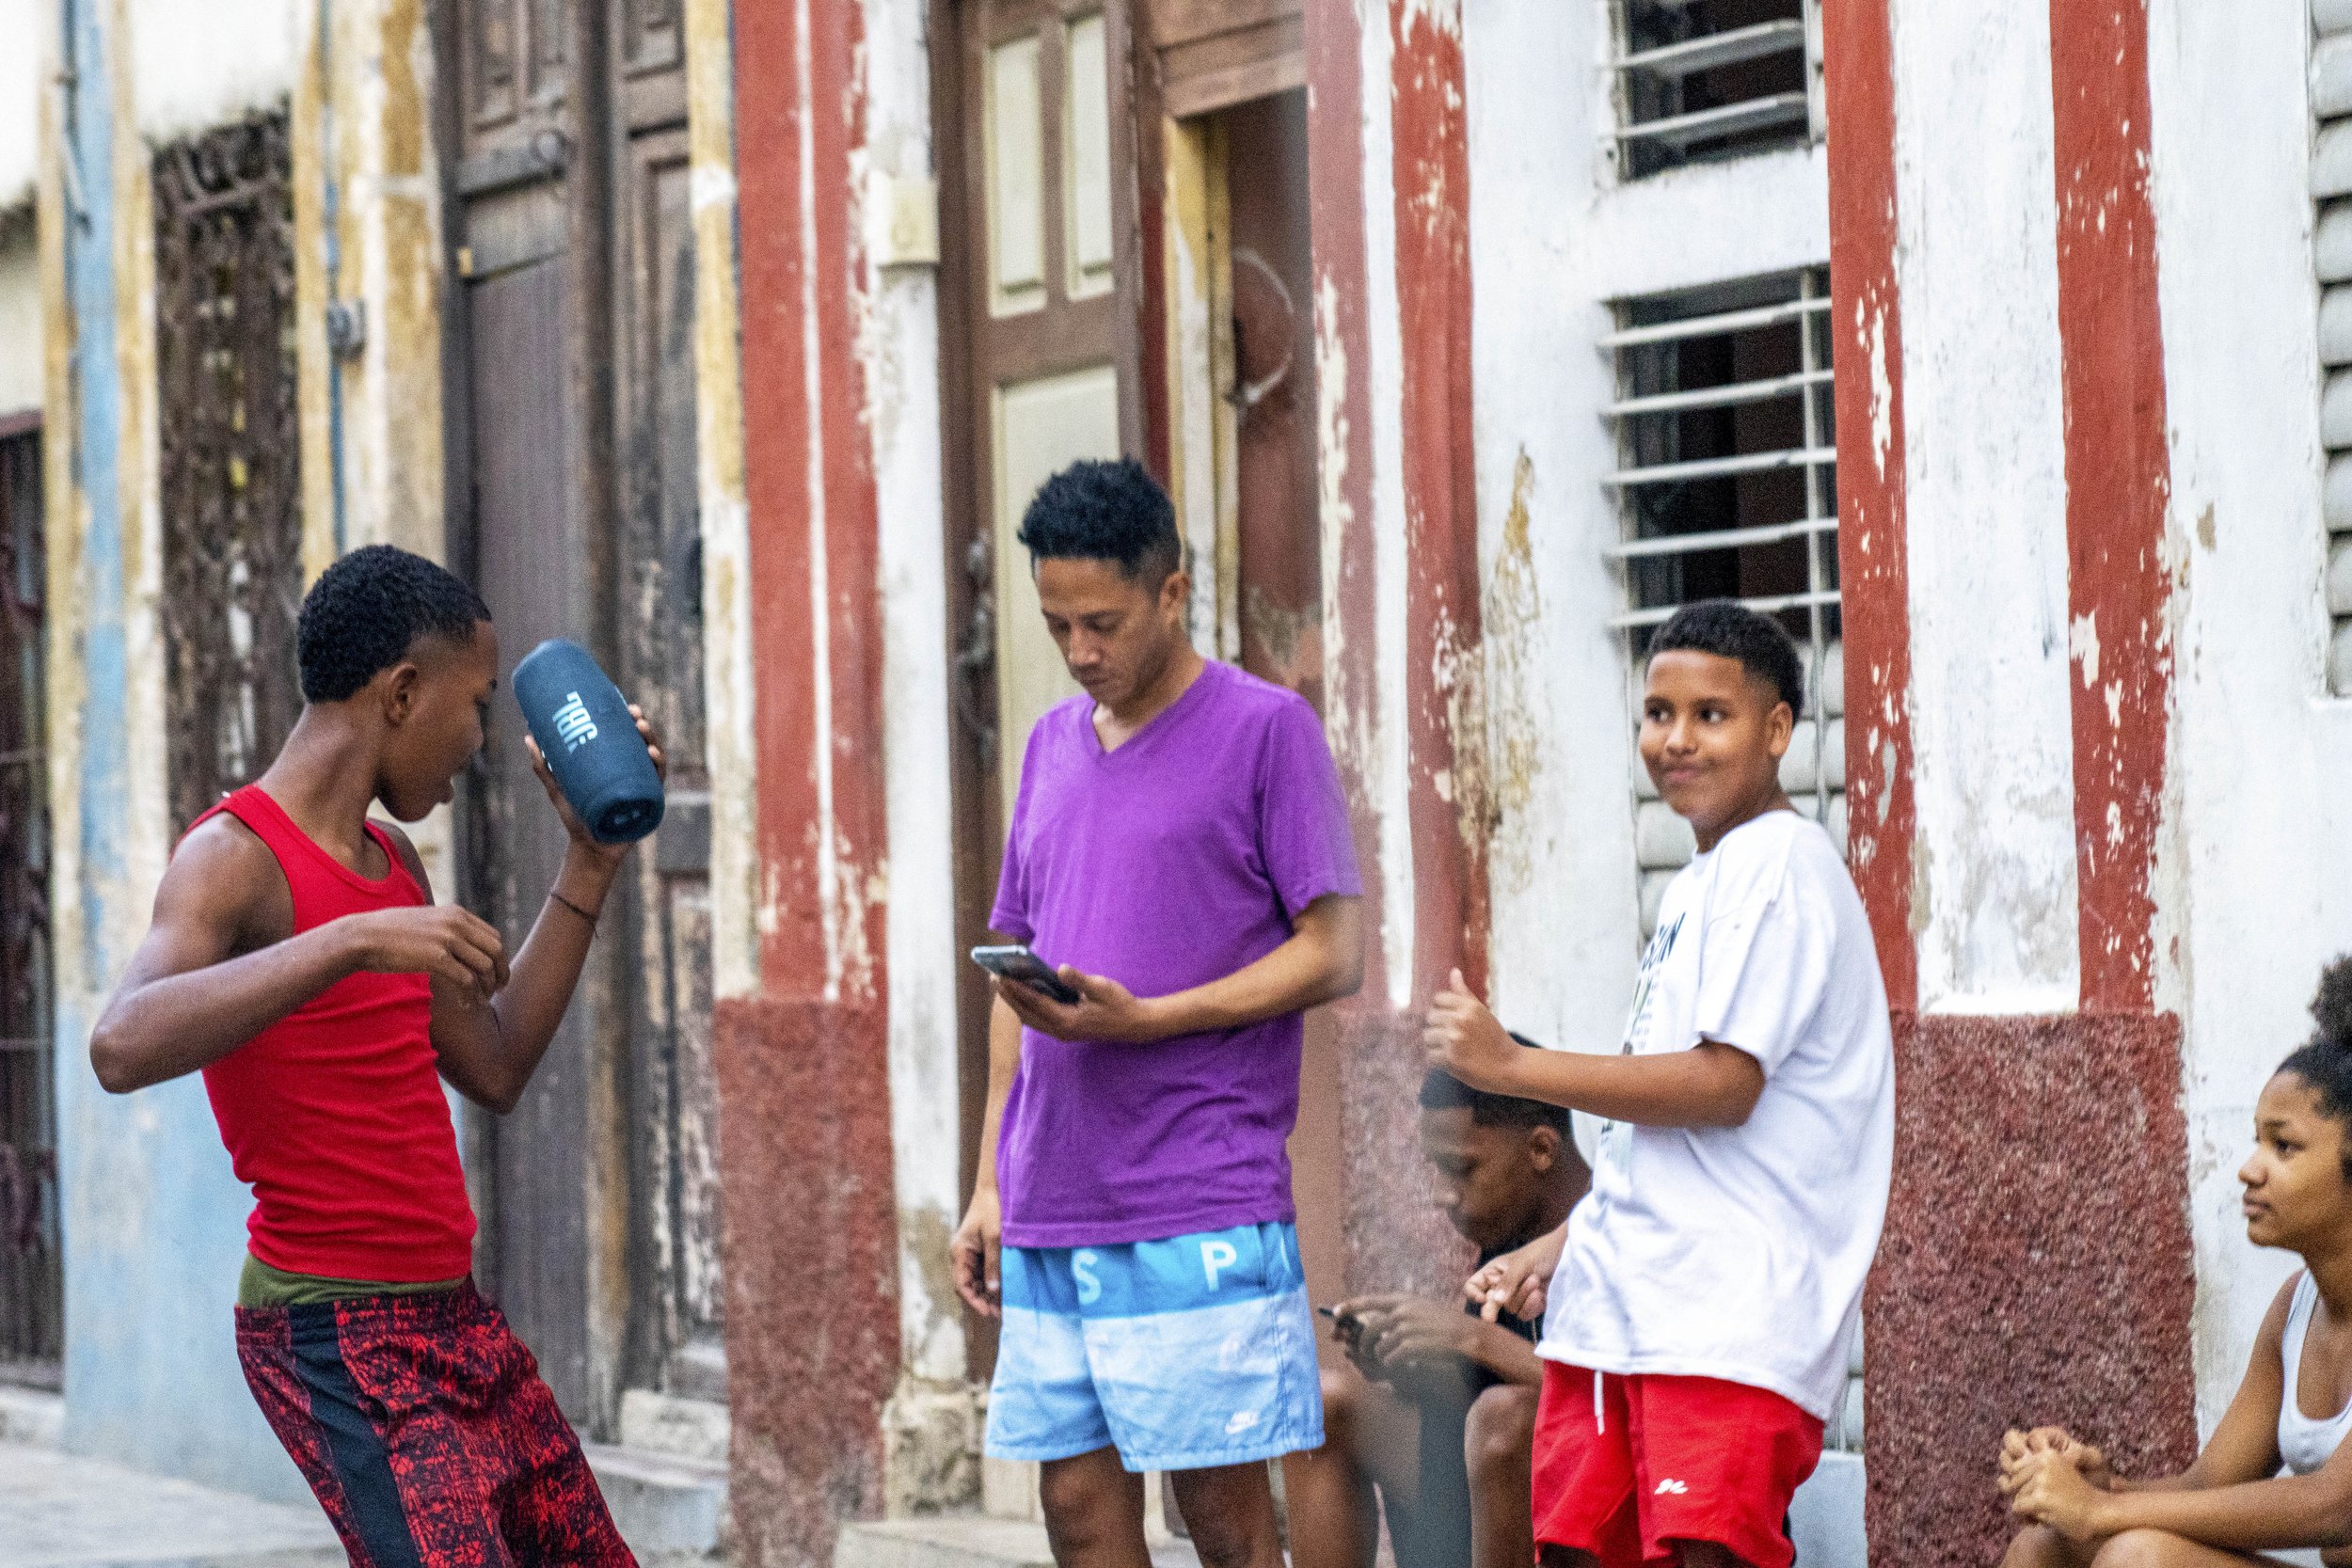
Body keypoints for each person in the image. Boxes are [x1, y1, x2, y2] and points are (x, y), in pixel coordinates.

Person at [88, 546, 660, 1565]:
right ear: (402, 692)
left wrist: (589, 859)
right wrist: (350, 940)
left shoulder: (393, 863)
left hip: (453, 1316)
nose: (481, 739)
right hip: (332, 1328)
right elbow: (121, 1043)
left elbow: (494, 1064)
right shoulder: (232, 857)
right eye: (476, 703)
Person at [947, 458, 1366, 1568]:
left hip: (1198, 1193)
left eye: (1103, 621)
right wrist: (990, 1178)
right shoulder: (1045, 746)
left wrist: (1152, 1019)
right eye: (1056, 625)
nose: (1081, 651)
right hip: (1052, 1193)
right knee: (1078, 1514)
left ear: (1172, 594)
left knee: (1223, 1516)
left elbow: (1335, 950)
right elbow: (1015, 977)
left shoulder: (1267, 730)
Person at [1425, 598, 1894, 1568]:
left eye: (1710, 715)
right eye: (1657, 712)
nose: (1675, 739)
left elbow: (1723, 1086)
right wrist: (1564, 1240)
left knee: (1701, 1552)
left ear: (1776, 729)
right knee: (1581, 1548)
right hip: (1629, 1310)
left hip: (1722, 1320)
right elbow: (1661, 1132)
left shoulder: (1780, 869)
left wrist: (1512, 1067)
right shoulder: (1698, 881)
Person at [2000, 958, 2352, 1568]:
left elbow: (2336, 1505)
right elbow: (2209, 1483)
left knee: (2139, 1555)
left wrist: (2106, 1512)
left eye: (2284, 1145)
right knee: (2046, 1542)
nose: (2250, 1167)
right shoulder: (2297, 1306)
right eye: (2256, 1140)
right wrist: (2100, 1486)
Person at [1285, 1062, 1591, 1568]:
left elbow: (1632, 1394)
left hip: (1602, 1489)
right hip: (1496, 1481)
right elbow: (1477, 1393)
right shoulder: (1505, 1234)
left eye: (1463, 1168)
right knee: (1326, 1405)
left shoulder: (1615, 1230)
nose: (1444, 1193)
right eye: (1438, 1170)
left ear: (1541, 1149)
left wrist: (1472, 1340)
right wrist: (1416, 1363)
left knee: (1505, 1418)